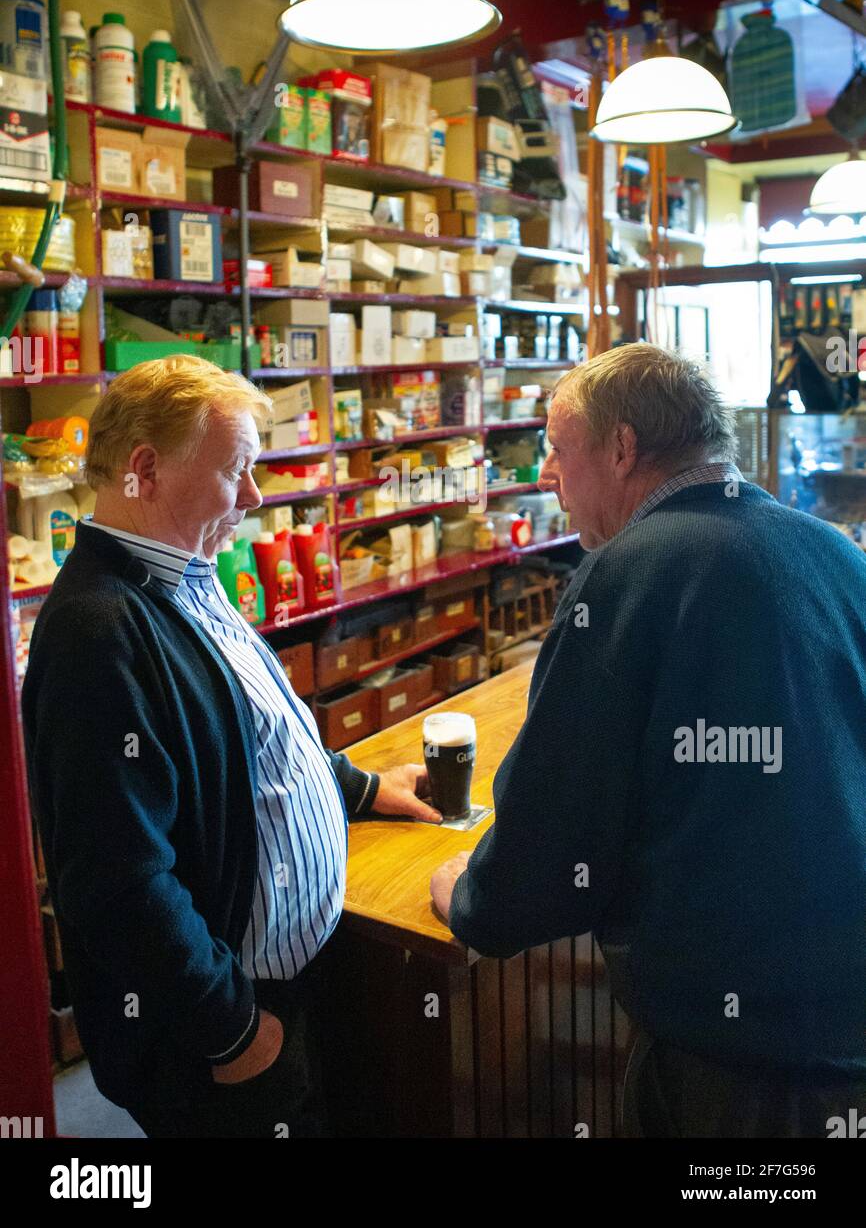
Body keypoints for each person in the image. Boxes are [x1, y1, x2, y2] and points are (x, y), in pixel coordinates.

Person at [431, 343, 866, 1138]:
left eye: (559, 453)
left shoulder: (629, 572)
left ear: (623, 448)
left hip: (735, 1064)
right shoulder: (832, 550)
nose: (547, 478)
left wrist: (471, 896)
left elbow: (555, 821)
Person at [24, 356, 440, 1138]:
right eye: (238, 471)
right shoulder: (98, 630)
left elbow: (252, 735)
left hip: (289, 982)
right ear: (145, 470)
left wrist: (354, 787)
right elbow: (115, 881)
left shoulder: (187, 574)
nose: (255, 496)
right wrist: (233, 1031)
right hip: (218, 1029)